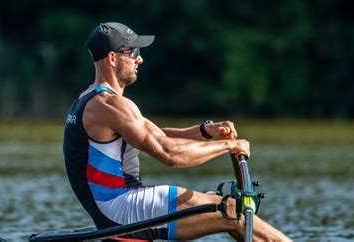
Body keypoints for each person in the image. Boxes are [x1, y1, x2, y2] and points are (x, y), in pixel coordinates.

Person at [63, 22, 291, 241]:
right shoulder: (110, 105)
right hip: (120, 207)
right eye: (133, 52)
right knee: (232, 211)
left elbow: (156, 135)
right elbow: (169, 154)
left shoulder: (88, 99)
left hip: (114, 206)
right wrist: (229, 146)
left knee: (225, 206)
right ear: (113, 58)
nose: (140, 59)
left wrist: (205, 131)